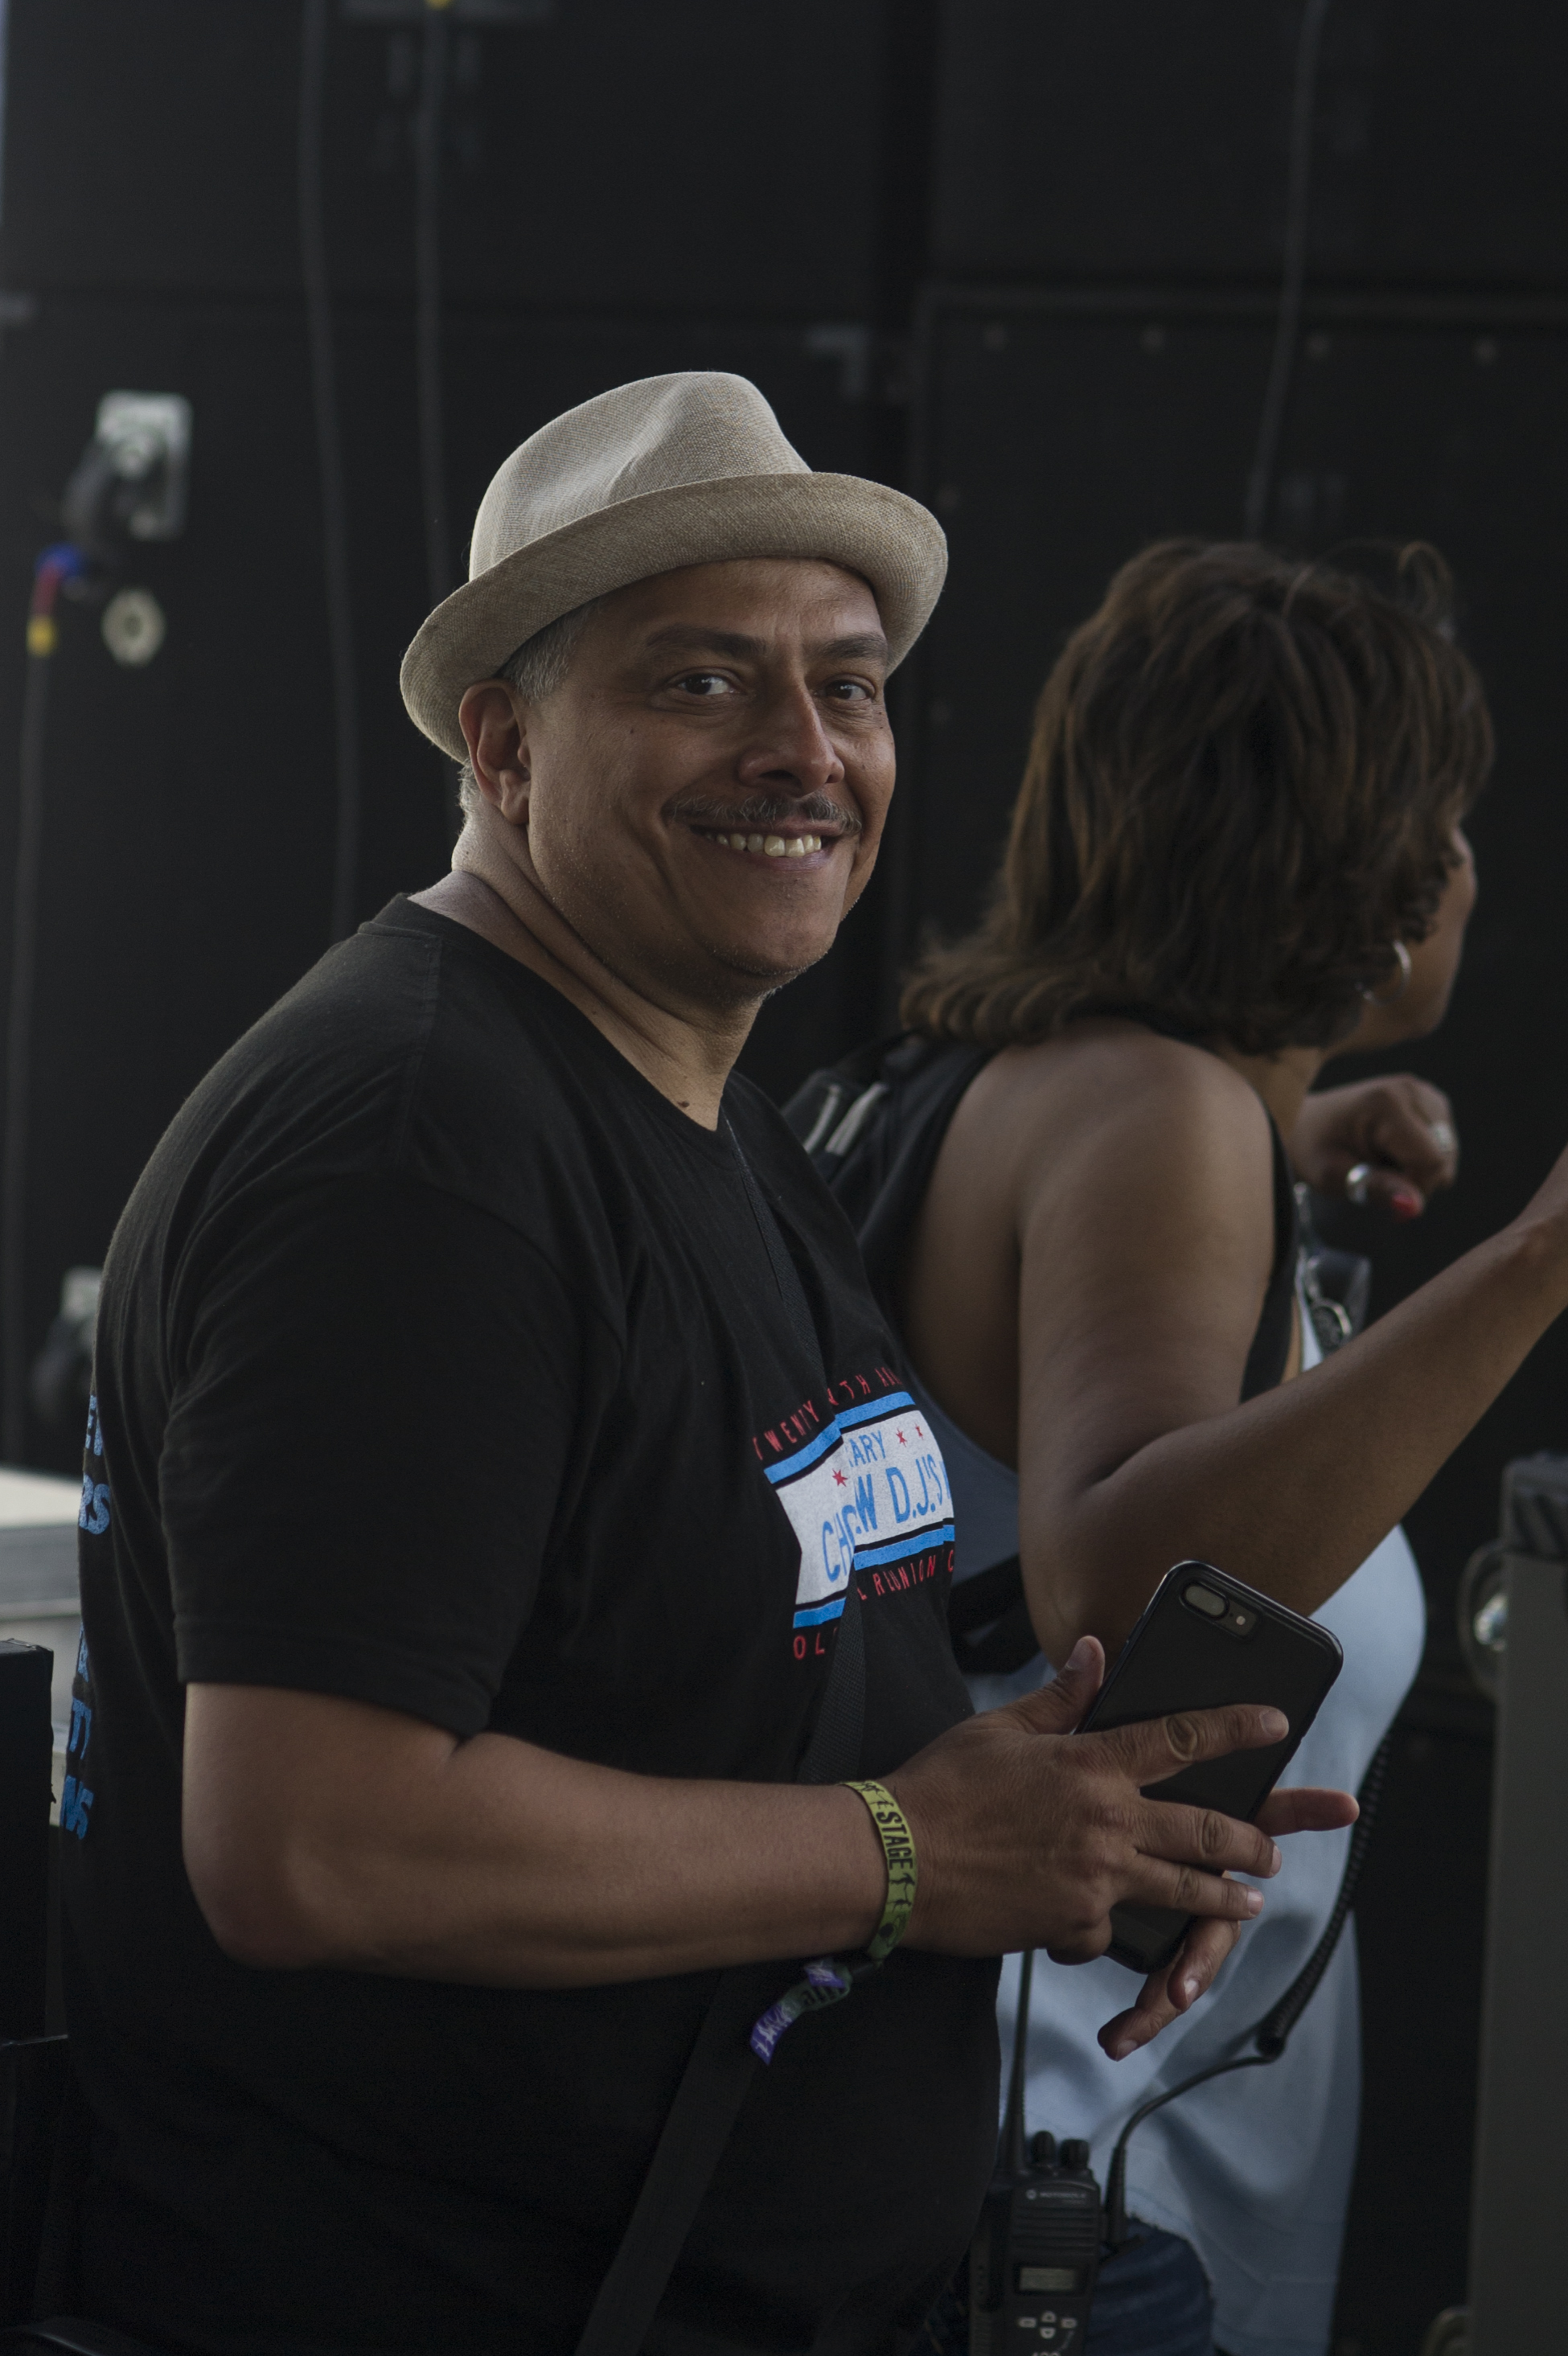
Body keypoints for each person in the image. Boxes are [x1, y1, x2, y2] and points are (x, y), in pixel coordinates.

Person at [58, 383, 1353, 2356]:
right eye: (702, 681)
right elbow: (314, 1841)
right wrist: (918, 1850)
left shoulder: (687, 1103)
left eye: (848, 685)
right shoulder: (415, 1151)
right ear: (505, 747)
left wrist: (1072, 1819)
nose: (805, 751)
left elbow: (720, 1673)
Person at [803, 538, 1568, 2356]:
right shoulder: (1161, 1115)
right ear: (1366, 870)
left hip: (1030, 2167)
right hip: (1082, 2194)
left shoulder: (1034, 1079)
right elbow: (1129, 1582)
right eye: (1442, 818)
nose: (1467, 864)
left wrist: (1277, 1155)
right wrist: (1538, 1262)